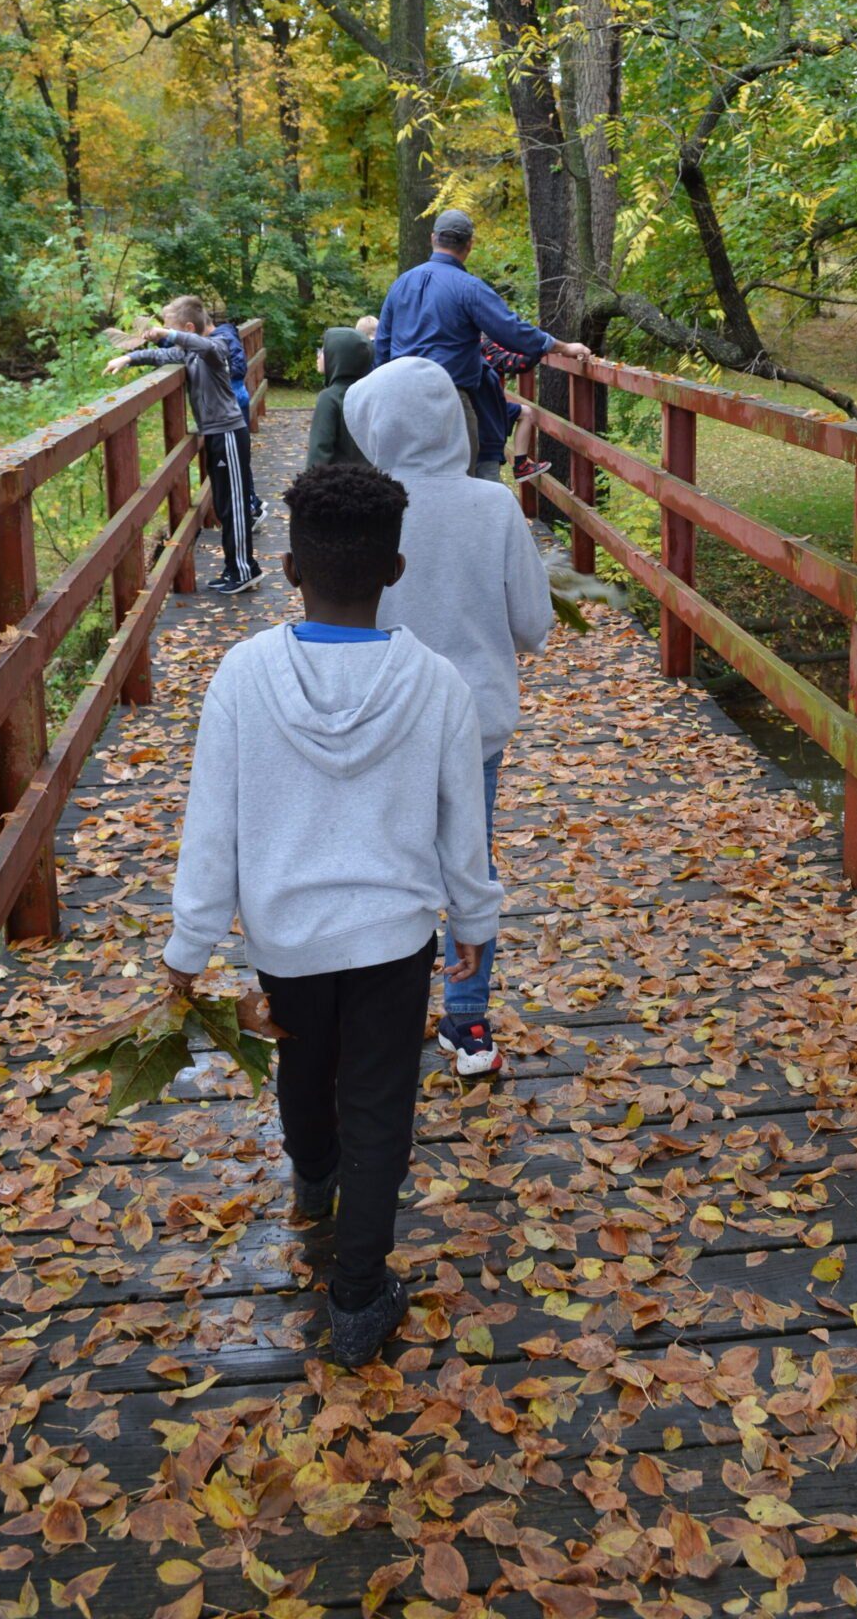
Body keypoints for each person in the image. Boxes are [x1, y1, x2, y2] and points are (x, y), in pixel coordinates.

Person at [161, 462, 501, 1367]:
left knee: (303, 1067)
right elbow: (462, 827)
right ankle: (359, 1294)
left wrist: (188, 945)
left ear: (286, 566)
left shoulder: (243, 675)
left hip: (287, 934)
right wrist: (475, 921)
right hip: (395, 936)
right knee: (381, 1100)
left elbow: (213, 822)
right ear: (396, 570)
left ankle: (313, 1183)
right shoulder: (435, 685)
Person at [344, 356, 552, 1077]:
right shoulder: (491, 506)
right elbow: (532, 623)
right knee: (469, 858)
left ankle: (377, 1015)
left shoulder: (368, 507)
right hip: (473, 723)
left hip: (379, 719)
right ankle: (467, 1022)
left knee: (384, 863)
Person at [374, 208, 591, 472]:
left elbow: (382, 346)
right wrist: (564, 347)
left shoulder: (401, 284)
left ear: (433, 238)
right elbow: (512, 331)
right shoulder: (468, 287)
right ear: (469, 245)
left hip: (402, 397)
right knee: (457, 477)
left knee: (406, 475)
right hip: (448, 400)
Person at [106, 296, 260, 596]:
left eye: (172, 328)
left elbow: (205, 347)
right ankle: (234, 567)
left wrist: (169, 335)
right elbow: (163, 358)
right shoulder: (190, 353)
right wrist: (129, 358)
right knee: (224, 503)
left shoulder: (215, 346)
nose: (167, 332)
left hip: (229, 433)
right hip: (216, 434)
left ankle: (244, 569)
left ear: (188, 328)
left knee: (234, 505)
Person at [211, 306, 265, 527]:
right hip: (232, 406)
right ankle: (251, 503)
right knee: (237, 459)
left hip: (230, 409)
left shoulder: (221, 340)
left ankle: (249, 507)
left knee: (235, 460)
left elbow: (238, 368)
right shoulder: (225, 336)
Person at [475, 338, 551, 487]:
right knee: (489, 484)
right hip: (486, 415)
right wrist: (545, 346)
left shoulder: (452, 347)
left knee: (525, 413)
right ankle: (521, 466)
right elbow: (518, 363)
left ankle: (521, 465)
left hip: (479, 410)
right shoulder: (486, 347)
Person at [307, 326, 373, 468]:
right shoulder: (372, 394)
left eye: (323, 351)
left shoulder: (329, 398)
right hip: (371, 482)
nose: (318, 356)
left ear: (338, 357)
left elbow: (319, 452)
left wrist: (306, 486)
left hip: (338, 484)